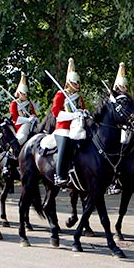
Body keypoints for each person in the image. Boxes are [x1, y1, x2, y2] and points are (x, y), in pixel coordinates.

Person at [52, 58, 87, 188]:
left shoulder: (79, 97)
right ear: (69, 83)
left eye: (78, 83)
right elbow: (56, 112)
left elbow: (82, 109)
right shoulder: (61, 95)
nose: (77, 85)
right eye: (75, 83)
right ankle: (59, 175)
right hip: (63, 128)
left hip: (77, 127)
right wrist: (73, 115)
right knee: (65, 143)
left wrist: (84, 113)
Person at [106, 62, 131, 195]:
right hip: (114, 130)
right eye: (122, 86)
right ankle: (112, 181)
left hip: (126, 128)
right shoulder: (112, 101)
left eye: (126, 86)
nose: (125, 88)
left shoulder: (127, 100)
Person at [9, 73, 37, 146]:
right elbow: (15, 118)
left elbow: (33, 113)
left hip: (31, 124)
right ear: (19, 94)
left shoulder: (29, 103)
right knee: (22, 138)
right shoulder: (14, 104)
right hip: (19, 127)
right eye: (24, 94)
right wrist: (28, 120)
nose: (26, 95)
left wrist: (35, 118)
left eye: (26, 94)